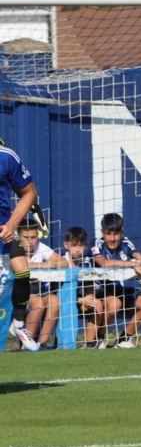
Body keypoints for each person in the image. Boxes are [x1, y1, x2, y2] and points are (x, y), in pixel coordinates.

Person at [91, 213, 141, 349]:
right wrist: (132, 264)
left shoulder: (126, 243)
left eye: (116, 234)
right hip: (100, 291)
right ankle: (99, 338)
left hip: (119, 290)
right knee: (114, 303)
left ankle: (123, 339)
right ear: (102, 233)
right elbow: (103, 263)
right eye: (108, 234)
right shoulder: (97, 243)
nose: (112, 238)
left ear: (121, 232)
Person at [0, 140, 40, 351]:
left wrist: (12, 224)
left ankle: (18, 323)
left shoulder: (6, 156)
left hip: (3, 235)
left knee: (23, 272)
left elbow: (29, 191)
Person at [18, 219, 65, 348]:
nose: (30, 241)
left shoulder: (40, 247)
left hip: (37, 293)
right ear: (18, 236)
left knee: (54, 300)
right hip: (16, 295)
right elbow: (15, 265)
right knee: (38, 303)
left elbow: (64, 262)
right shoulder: (13, 247)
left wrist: (54, 264)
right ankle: (26, 344)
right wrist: (42, 265)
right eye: (26, 237)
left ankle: (42, 344)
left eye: (33, 237)